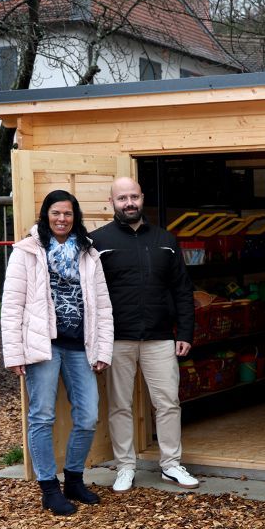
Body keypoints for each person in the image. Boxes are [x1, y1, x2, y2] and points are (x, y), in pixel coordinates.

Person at [1, 190, 113, 516]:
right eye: (56, 213)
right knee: (42, 416)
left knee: (89, 415)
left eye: (67, 214)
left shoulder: (89, 254)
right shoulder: (27, 252)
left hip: (81, 346)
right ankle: (49, 488)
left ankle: (74, 480)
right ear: (46, 216)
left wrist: (102, 347)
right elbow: (11, 306)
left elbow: (103, 307)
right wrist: (14, 354)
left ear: (75, 217)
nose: (61, 219)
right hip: (43, 346)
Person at [90, 177, 199, 492]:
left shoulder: (166, 239)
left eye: (134, 197)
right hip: (117, 339)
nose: (129, 203)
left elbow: (182, 290)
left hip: (160, 337)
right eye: (122, 198)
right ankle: (125, 467)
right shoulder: (97, 242)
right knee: (120, 405)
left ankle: (171, 465)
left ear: (142, 198)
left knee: (168, 403)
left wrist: (186, 332)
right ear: (112, 202)